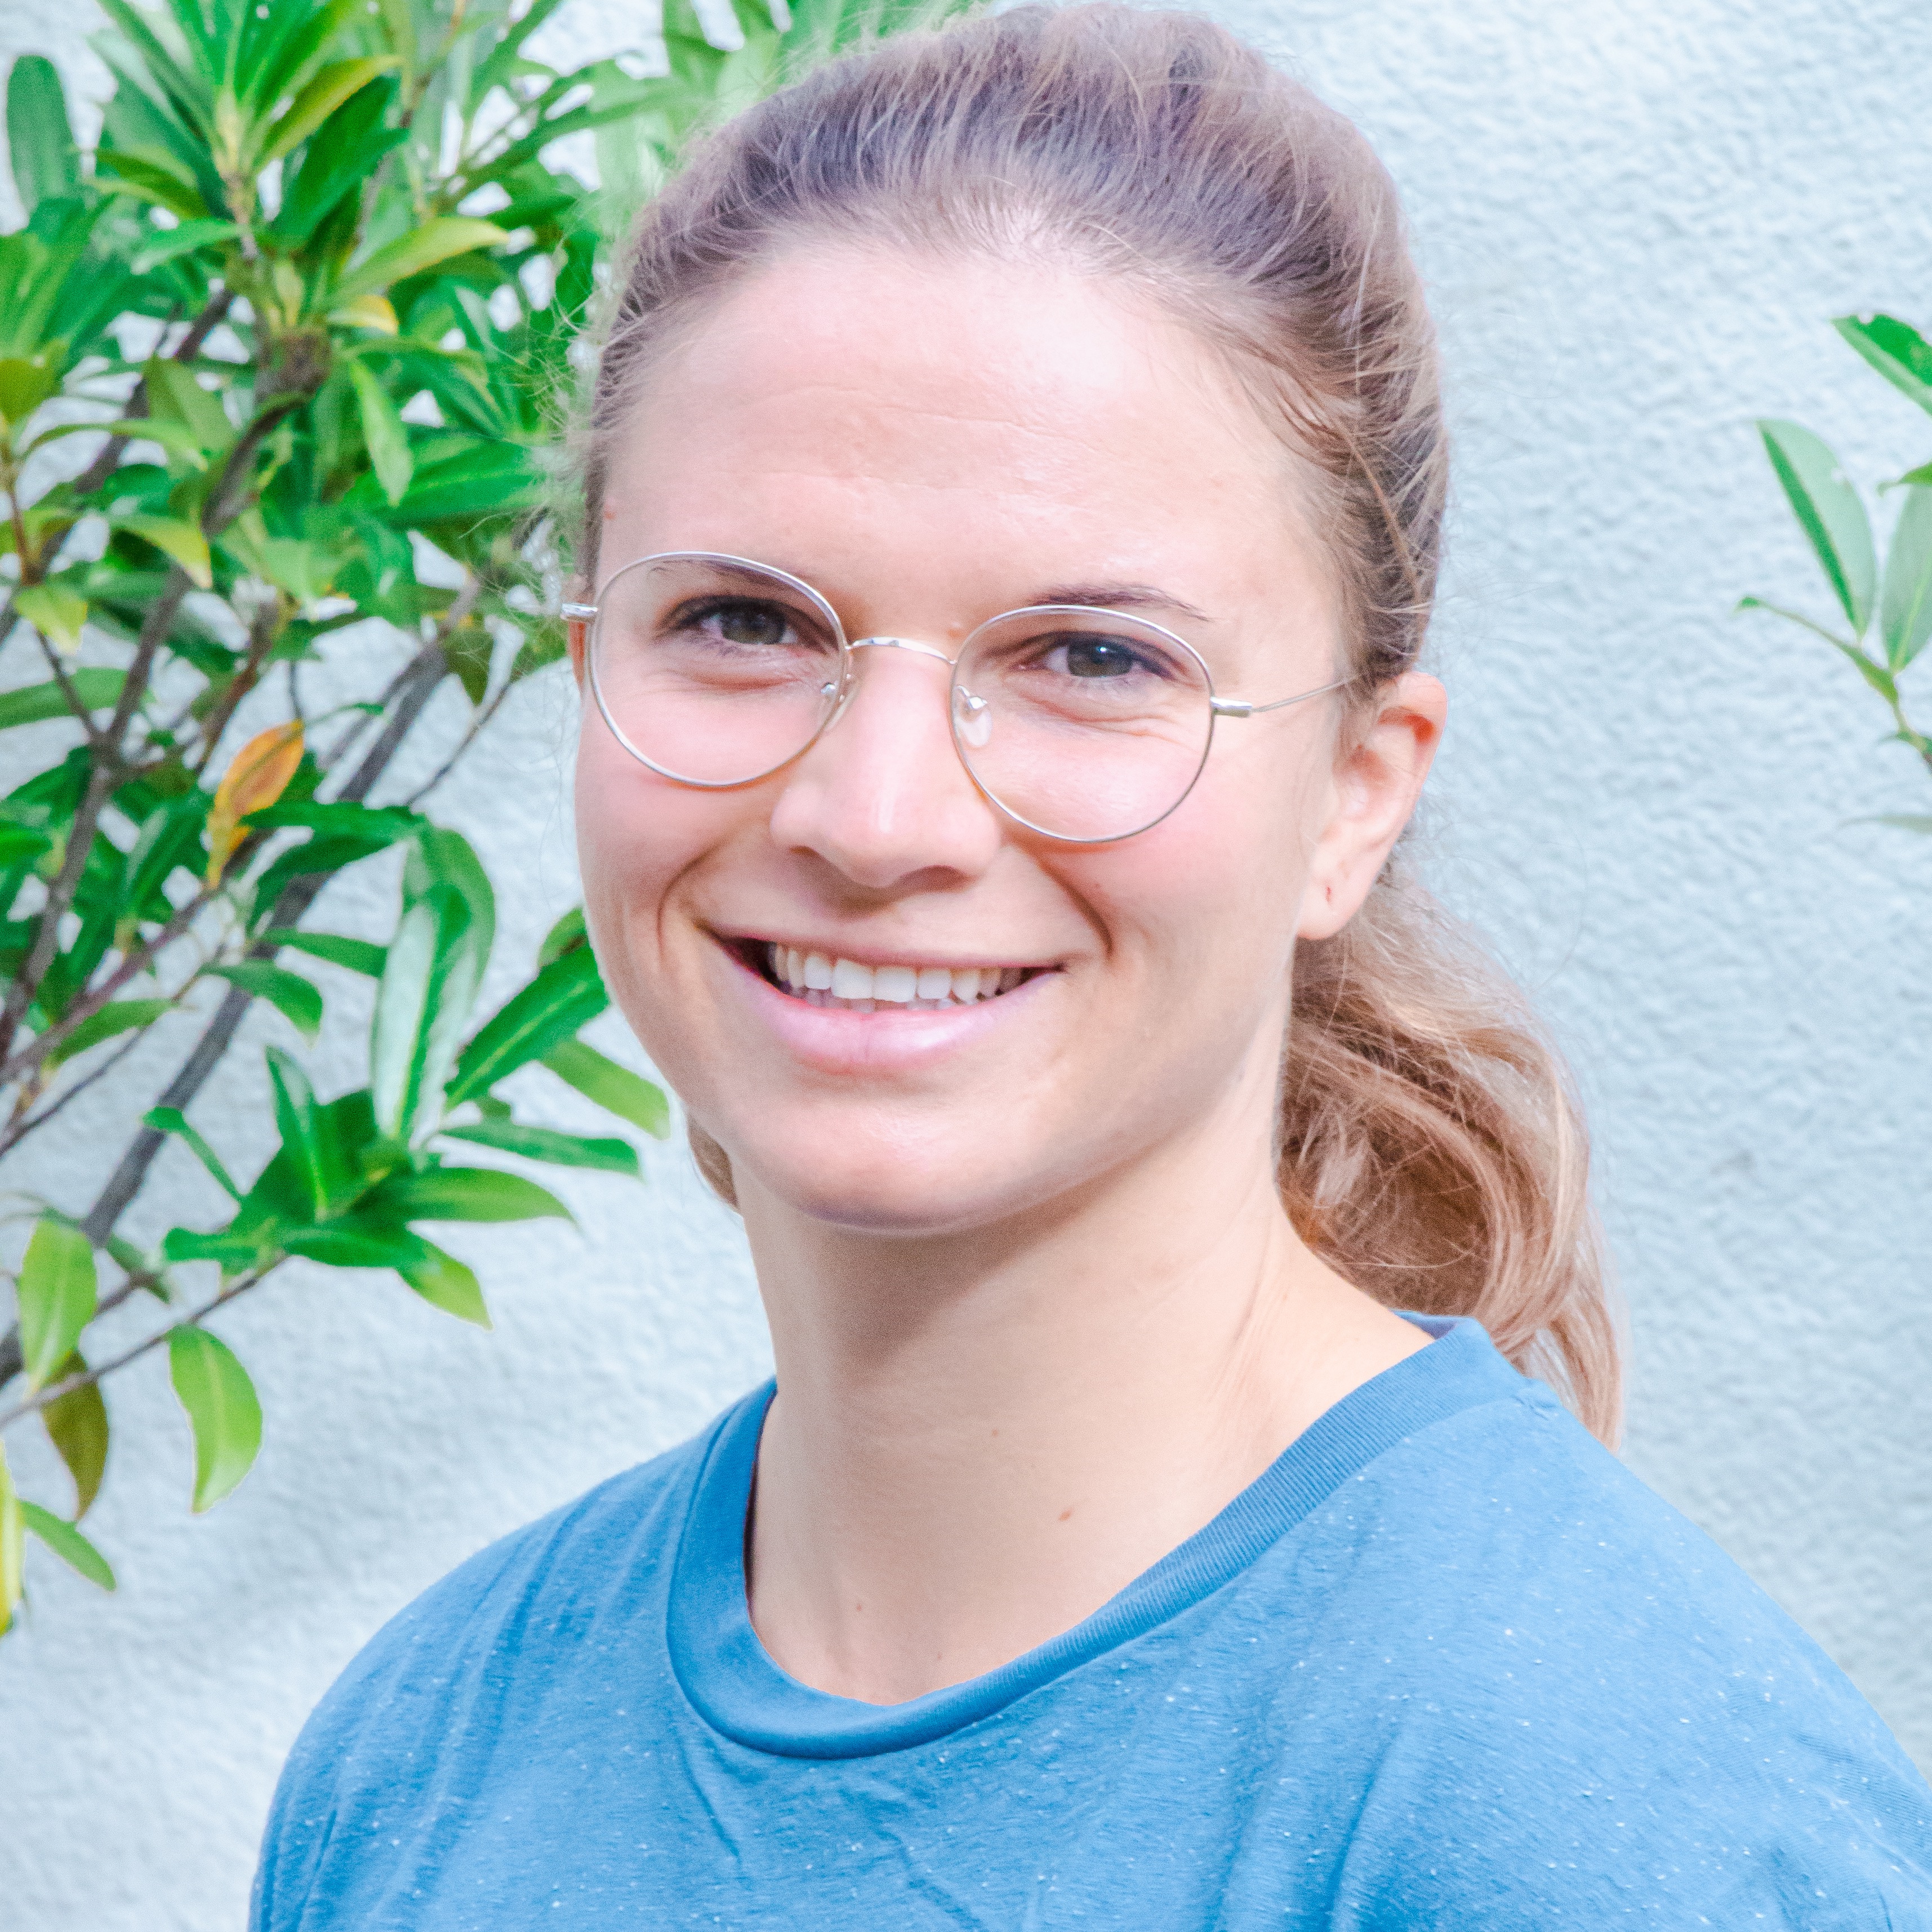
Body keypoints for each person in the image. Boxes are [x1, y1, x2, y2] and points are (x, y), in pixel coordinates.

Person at [251, 7, 1932, 1925]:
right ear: (590, 679)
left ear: (1355, 796)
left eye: (1092, 658)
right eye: (742, 621)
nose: (876, 817)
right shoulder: (425, 1760)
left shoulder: (1610, 1817)